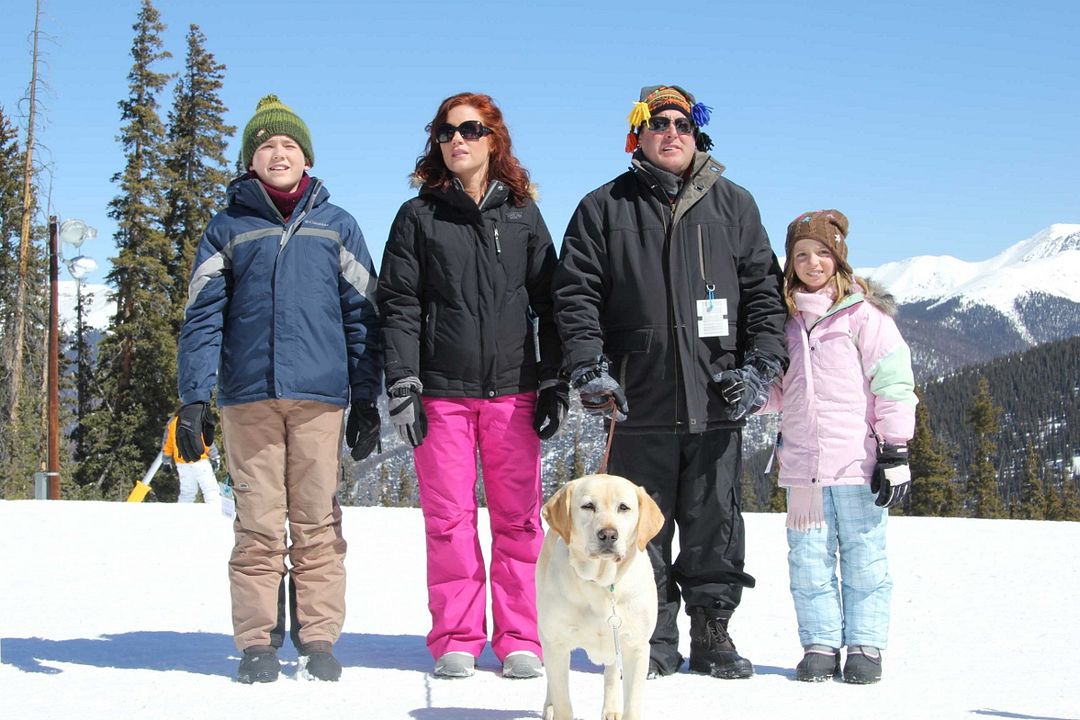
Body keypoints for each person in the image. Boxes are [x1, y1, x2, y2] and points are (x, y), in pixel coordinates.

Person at [552, 85, 788, 680]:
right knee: (637, 533)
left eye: (682, 122)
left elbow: (765, 298)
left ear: (697, 133)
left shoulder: (735, 205)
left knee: (716, 526)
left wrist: (760, 368)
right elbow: (575, 295)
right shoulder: (603, 207)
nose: (672, 132)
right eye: (658, 123)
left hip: (717, 397)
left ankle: (713, 634)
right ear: (639, 134)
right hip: (638, 402)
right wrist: (589, 366)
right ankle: (650, 639)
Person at [175, 94, 382, 684]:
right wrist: (195, 396)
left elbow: (363, 315)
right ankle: (257, 640)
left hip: (321, 398)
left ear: (306, 157)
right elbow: (202, 316)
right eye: (266, 144)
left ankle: (318, 637)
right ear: (250, 160)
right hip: (248, 397)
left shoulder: (336, 225)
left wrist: (366, 397)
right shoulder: (229, 227)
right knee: (259, 524)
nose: (279, 152)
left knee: (318, 521)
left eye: (289, 144)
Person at [378, 92, 564, 680]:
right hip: (441, 392)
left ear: (493, 139)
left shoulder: (523, 215)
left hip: (514, 390)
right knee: (449, 520)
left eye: (470, 129)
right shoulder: (418, 216)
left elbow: (551, 304)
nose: (456, 139)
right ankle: (457, 636)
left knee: (519, 521)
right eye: (445, 131)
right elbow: (400, 305)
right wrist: (404, 382)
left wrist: (555, 379)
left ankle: (520, 638)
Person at [758, 209, 916, 684]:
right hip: (803, 465)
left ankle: (865, 643)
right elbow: (780, 394)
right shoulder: (785, 325)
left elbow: (893, 383)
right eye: (802, 255)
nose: (812, 263)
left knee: (864, 555)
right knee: (808, 562)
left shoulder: (864, 317)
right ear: (790, 264)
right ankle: (820, 644)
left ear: (839, 259)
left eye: (822, 253)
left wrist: (895, 450)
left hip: (857, 463)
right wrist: (747, 395)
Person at [161, 412, 221, 504]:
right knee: (210, 489)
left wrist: (166, 461)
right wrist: (214, 456)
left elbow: (167, 443)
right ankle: (214, 512)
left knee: (187, 493)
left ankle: (183, 515)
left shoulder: (173, 421)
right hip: (199, 461)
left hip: (182, 463)